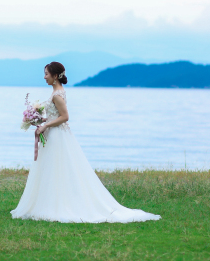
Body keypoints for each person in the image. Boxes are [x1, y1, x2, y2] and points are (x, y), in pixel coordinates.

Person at [11, 62, 161, 223]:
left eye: (47, 74)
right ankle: (47, 203)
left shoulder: (57, 95)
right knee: (52, 169)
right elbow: (56, 116)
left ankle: (56, 206)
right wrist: (40, 120)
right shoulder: (57, 92)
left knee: (57, 168)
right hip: (54, 133)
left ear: (55, 76)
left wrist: (45, 125)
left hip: (57, 135)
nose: (44, 77)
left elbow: (65, 117)